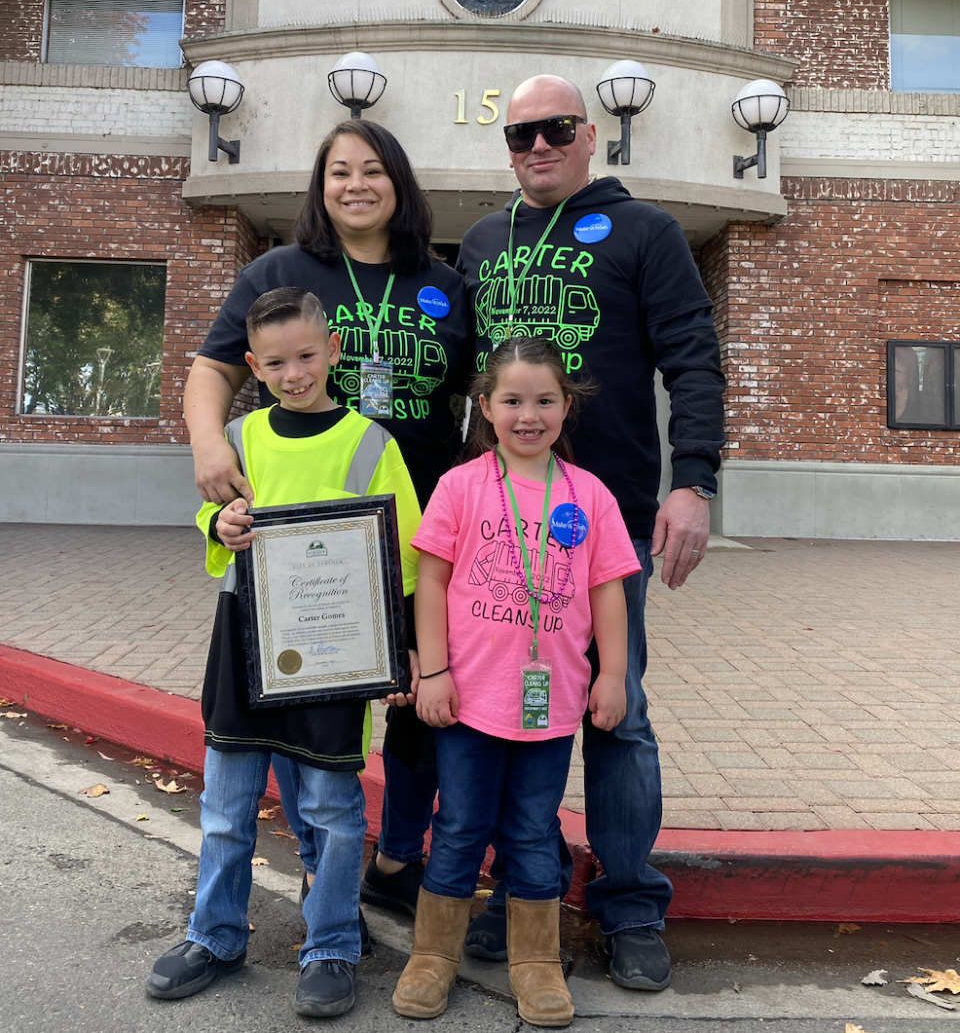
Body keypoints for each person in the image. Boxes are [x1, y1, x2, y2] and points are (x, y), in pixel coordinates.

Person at [456, 75, 725, 990]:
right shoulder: (484, 242)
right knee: (503, 715)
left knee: (618, 712)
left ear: (590, 135)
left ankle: (630, 904)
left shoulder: (645, 231)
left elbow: (693, 356)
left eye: (555, 128)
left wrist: (692, 483)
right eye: (520, 132)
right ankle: (520, 890)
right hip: (495, 522)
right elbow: (454, 376)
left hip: (601, 525)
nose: (537, 145)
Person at [183, 119, 473, 921]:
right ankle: (320, 863)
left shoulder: (443, 283)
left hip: (424, 532)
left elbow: (482, 393)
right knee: (296, 697)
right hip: (311, 549)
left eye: (373, 170)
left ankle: (394, 857)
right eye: (338, 171)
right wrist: (210, 447)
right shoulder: (282, 269)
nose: (355, 185)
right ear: (320, 185)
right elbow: (213, 364)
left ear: (399, 181)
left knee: (415, 702)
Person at [146, 287, 421, 1016]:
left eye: (306, 355)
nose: (294, 372)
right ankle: (214, 934)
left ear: (333, 350)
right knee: (226, 805)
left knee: (332, 810)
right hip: (244, 642)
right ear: (254, 367)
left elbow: (406, 563)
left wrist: (406, 651)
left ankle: (331, 944)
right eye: (276, 362)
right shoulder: (240, 439)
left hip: (336, 654)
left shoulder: (371, 443)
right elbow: (213, 514)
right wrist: (222, 522)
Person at [392, 338, 640, 1027]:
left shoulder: (589, 495)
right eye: (512, 401)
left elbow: (610, 592)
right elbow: (433, 583)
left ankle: (534, 960)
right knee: (461, 826)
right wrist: (433, 670)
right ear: (485, 407)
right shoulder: (461, 485)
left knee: (533, 831)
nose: (528, 415)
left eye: (544, 401)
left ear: (567, 406)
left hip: (552, 707)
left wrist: (613, 675)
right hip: (468, 701)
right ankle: (432, 954)